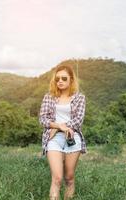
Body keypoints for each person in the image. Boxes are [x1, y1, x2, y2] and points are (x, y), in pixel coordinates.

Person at [39, 63, 87, 200]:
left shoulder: (79, 98)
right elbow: (42, 119)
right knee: (57, 178)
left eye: (64, 78)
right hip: (53, 138)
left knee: (69, 178)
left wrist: (58, 125)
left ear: (71, 80)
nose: (60, 81)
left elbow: (78, 120)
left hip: (73, 138)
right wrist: (60, 127)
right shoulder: (49, 97)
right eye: (57, 78)